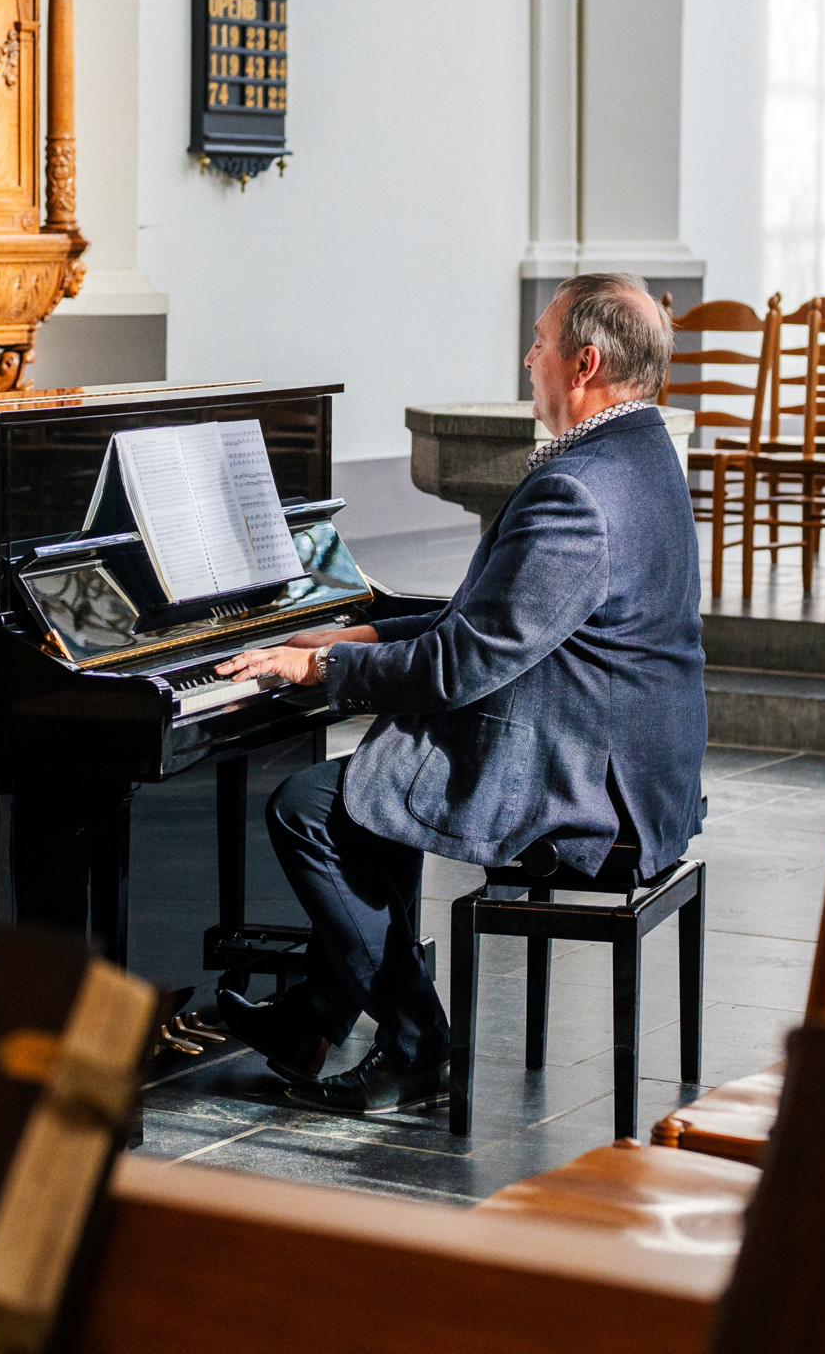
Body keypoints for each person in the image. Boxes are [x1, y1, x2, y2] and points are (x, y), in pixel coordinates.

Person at [210, 272, 708, 1114]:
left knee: (309, 808)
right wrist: (360, 637)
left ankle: (417, 1046)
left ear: (584, 362)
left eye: (540, 343)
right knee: (385, 778)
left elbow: (462, 661)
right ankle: (315, 1015)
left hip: (592, 776)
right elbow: (495, 617)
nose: (529, 358)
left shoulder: (580, 490)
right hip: (632, 748)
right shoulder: (639, 452)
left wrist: (318, 669)